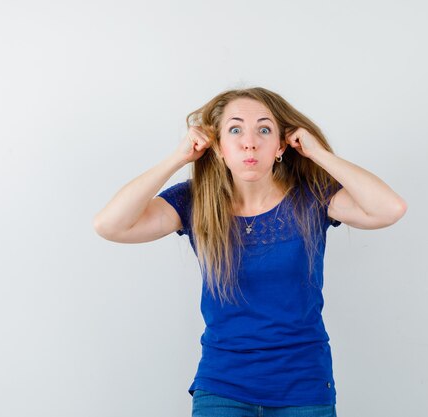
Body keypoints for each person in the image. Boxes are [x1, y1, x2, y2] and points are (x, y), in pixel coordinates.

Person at [93, 86, 407, 417]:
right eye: (235, 129)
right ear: (217, 146)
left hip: (303, 386)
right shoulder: (195, 200)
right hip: (222, 386)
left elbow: (389, 209)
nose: (249, 141)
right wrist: (178, 157)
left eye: (264, 129)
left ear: (281, 145)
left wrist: (318, 154)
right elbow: (110, 226)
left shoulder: (312, 197)